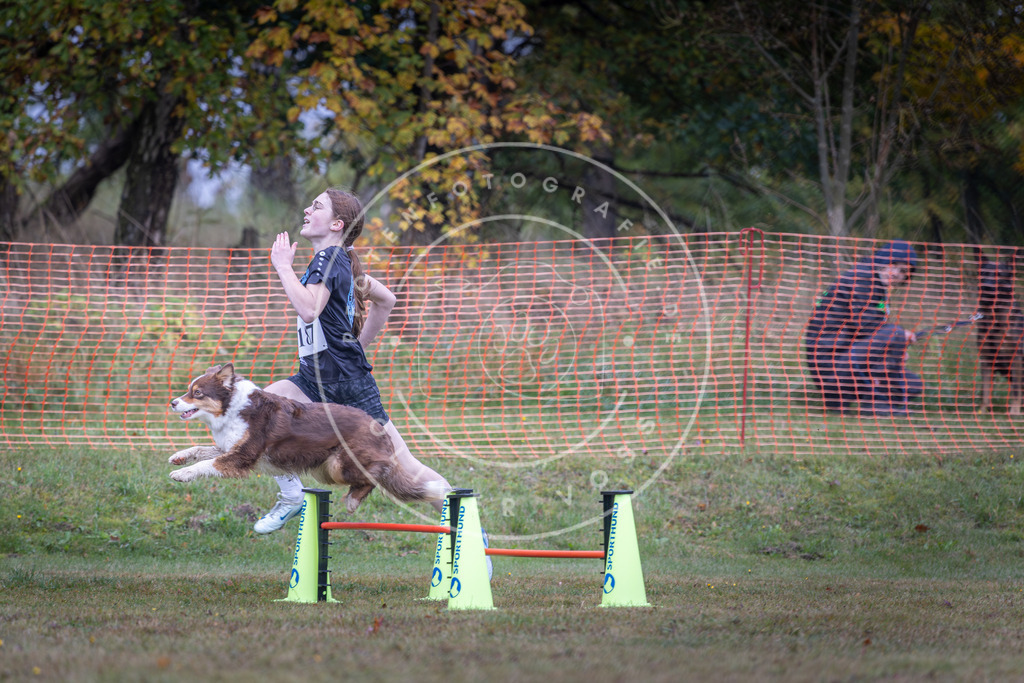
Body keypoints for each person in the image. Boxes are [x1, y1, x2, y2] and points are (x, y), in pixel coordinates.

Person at [254, 187, 453, 533]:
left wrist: (283, 267)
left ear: (336, 223)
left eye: (316, 206)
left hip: (348, 386)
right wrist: (356, 344)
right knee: (257, 418)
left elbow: (308, 309)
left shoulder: (327, 260)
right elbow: (386, 300)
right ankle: (292, 497)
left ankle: (467, 528)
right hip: (312, 380)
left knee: (404, 465)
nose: (306, 209)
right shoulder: (341, 261)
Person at [804, 239, 921, 416]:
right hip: (831, 368)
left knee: (913, 385)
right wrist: (898, 338)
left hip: (849, 361)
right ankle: (871, 404)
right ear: (882, 260)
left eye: (903, 271)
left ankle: (870, 401)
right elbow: (864, 326)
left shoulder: (876, 285)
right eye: (893, 264)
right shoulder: (862, 279)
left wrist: (894, 349)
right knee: (894, 333)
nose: (896, 273)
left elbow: (868, 333)